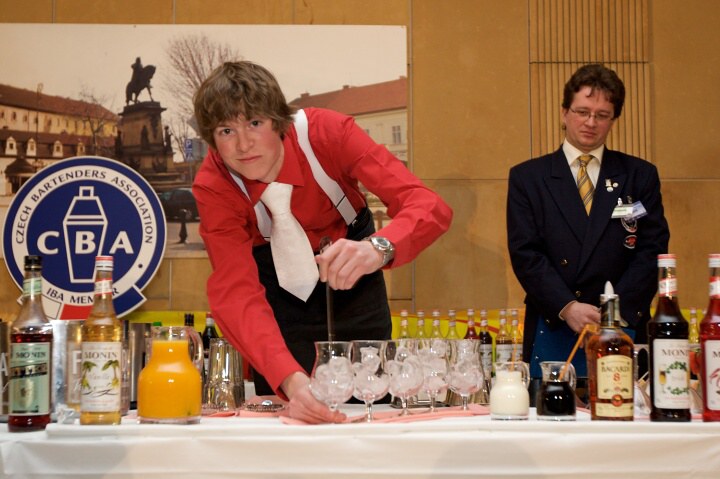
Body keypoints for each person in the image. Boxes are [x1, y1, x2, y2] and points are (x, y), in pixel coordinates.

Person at [192, 61, 452, 424]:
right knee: (291, 417)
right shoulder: (214, 185)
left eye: (255, 123)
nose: (243, 144)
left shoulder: (327, 133)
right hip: (276, 302)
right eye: (226, 130)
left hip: (355, 277)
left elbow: (427, 205)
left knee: (369, 403)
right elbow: (235, 291)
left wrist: (377, 249)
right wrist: (290, 381)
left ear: (278, 121)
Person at [506, 64, 669, 396]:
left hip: (622, 323)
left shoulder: (639, 175)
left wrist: (611, 314)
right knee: (553, 418)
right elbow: (526, 253)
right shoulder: (528, 178)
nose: (591, 122)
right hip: (555, 319)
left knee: (623, 413)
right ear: (564, 112)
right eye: (582, 112)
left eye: (602, 115)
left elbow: (652, 249)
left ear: (613, 120)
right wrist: (568, 307)